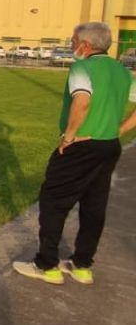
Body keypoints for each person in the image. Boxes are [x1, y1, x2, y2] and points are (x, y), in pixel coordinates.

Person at [13, 22, 134, 285]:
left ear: (86, 45)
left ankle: (47, 265)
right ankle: (82, 265)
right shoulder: (123, 71)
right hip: (108, 146)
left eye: (73, 41)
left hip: (80, 147)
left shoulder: (82, 68)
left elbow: (82, 102)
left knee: (54, 203)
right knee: (94, 206)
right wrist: (119, 130)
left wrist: (68, 136)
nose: (71, 46)